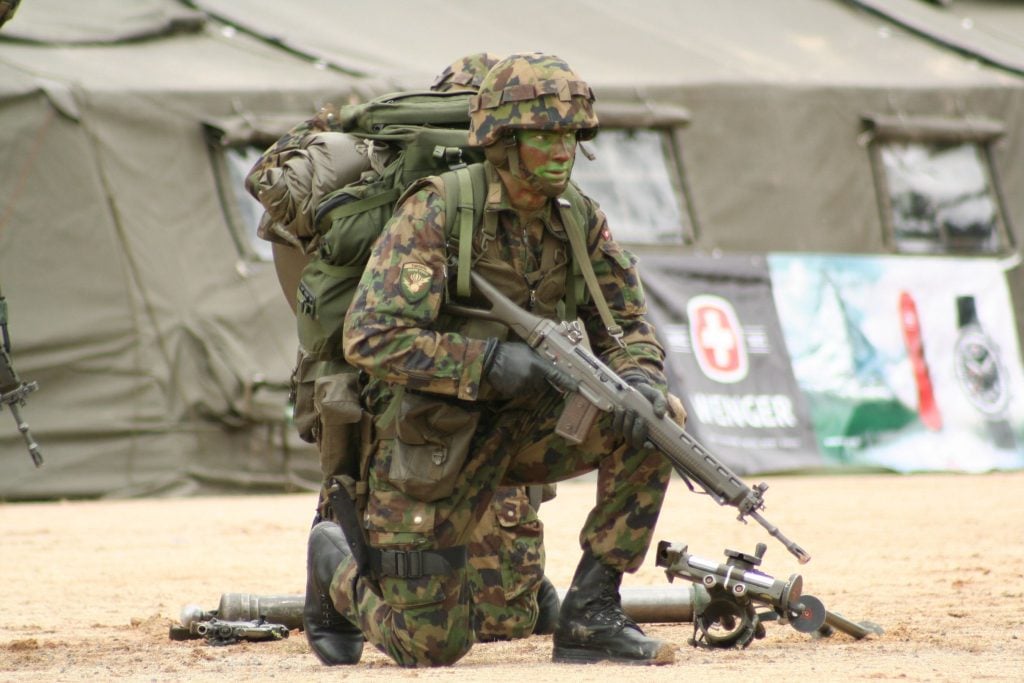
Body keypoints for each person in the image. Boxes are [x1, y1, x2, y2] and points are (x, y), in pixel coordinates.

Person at [308, 52, 680, 667]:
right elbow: (371, 335)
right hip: (433, 438)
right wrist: (488, 364)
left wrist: (638, 376)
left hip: (527, 428)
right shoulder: (437, 210)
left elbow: (626, 325)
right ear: (502, 142)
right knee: (429, 647)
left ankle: (592, 612)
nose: (561, 151)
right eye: (543, 136)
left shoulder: (578, 218)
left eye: (570, 136)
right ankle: (334, 561)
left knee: (655, 420)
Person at [244, 53, 561, 657]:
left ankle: (516, 583)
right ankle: (335, 581)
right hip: (377, 371)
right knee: (352, 484)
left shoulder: (521, 187)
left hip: (471, 368)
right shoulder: (378, 173)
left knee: (505, 612)